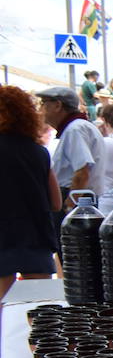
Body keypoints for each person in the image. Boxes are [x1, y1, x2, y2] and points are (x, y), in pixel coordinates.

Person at [0, 86, 59, 299]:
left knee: (3, 309)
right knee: (41, 308)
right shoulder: (39, 152)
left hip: (3, 237)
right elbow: (56, 203)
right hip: (36, 236)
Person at [37, 86, 104, 208]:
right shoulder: (78, 126)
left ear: (58, 105)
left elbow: (82, 171)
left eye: (43, 103)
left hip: (77, 198)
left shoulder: (75, 129)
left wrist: (70, 204)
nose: (41, 109)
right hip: (81, 197)